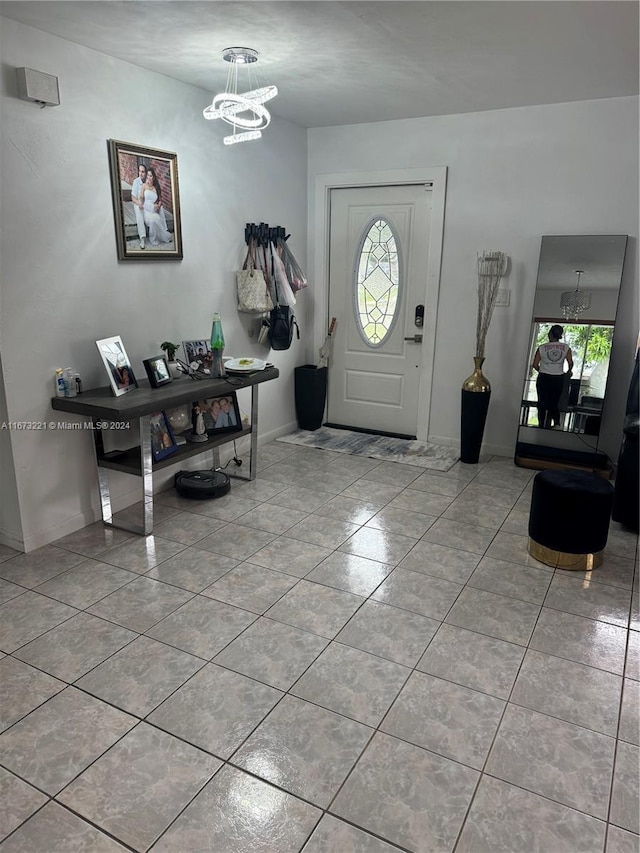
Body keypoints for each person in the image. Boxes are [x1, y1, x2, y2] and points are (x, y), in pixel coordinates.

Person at [532, 324, 573, 429]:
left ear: (550, 334)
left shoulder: (542, 347)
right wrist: (569, 371)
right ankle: (556, 424)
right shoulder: (566, 348)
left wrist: (542, 370)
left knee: (542, 402)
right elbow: (570, 362)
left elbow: (535, 364)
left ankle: (541, 424)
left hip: (544, 378)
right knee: (554, 402)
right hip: (558, 378)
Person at [141, 168, 172, 247]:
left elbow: (159, 200)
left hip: (154, 210)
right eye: (147, 175)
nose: (149, 177)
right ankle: (155, 238)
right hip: (146, 210)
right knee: (153, 220)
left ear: (153, 177)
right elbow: (141, 198)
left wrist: (158, 205)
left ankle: (162, 236)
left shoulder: (156, 187)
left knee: (156, 218)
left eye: (150, 176)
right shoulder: (144, 186)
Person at [131, 163, 148, 250]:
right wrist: (139, 203)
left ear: (146, 173)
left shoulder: (149, 181)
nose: (141, 173)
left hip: (147, 203)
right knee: (139, 211)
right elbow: (133, 197)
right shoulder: (136, 182)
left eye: (143, 172)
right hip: (138, 203)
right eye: (140, 171)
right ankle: (142, 238)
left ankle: (161, 233)